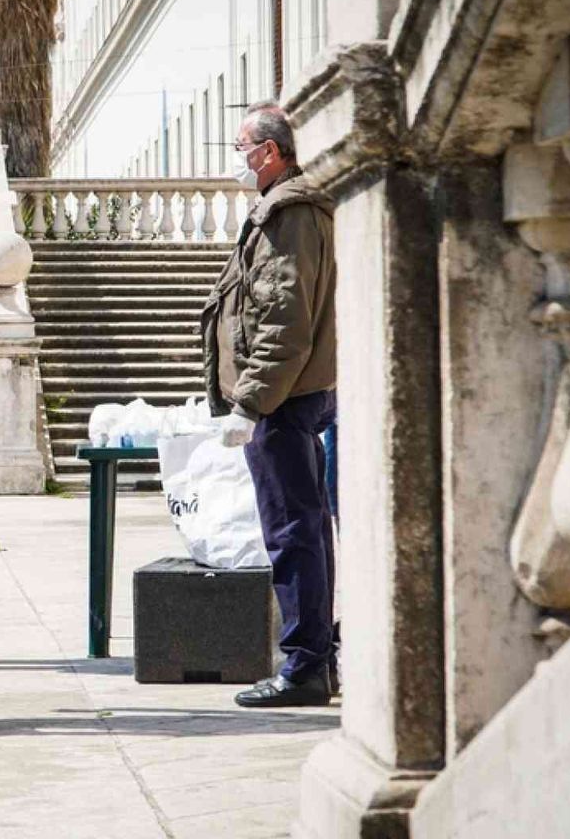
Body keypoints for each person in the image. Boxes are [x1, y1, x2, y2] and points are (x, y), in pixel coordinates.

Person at [202, 101, 337, 708]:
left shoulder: (288, 213)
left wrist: (251, 403)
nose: (237, 159)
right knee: (300, 528)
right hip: (288, 397)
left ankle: (305, 665)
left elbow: (285, 320)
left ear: (270, 152)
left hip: (283, 401)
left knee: (292, 531)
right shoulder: (281, 211)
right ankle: (314, 658)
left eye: (241, 148)